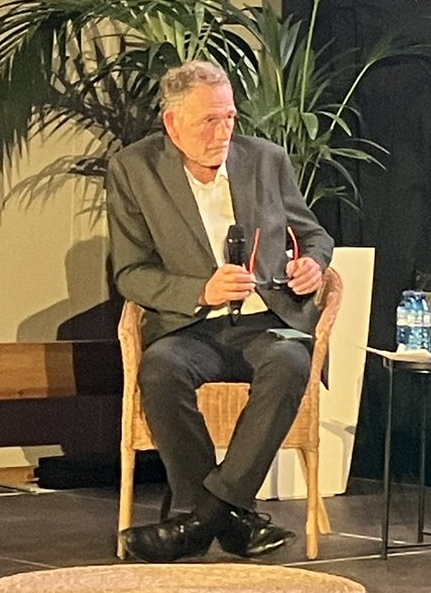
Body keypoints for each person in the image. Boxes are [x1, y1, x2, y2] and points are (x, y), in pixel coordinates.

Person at [109, 60, 334, 562]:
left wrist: (312, 265)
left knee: (291, 362)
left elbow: (314, 234)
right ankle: (227, 519)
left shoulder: (266, 159)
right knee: (160, 369)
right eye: (208, 121)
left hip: (267, 321)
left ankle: (197, 521)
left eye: (229, 117)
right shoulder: (134, 169)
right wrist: (202, 290)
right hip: (191, 326)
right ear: (172, 124)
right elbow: (130, 273)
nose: (223, 132)